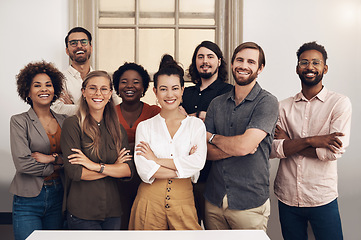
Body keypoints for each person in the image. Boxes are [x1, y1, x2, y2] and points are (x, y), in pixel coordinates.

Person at [270, 41, 352, 240]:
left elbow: (333, 152)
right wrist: (314, 140)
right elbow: (272, 150)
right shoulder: (282, 107)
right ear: (297, 68)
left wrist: (290, 143)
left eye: (316, 62)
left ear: (325, 68)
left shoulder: (339, 103)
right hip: (287, 197)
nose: (310, 67)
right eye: (304, 62)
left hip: (321, 197)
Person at [204, 42, 278, 231]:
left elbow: (244, 146)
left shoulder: (267, 102)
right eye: (240, 60)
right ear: (232, 63)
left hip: (249, 202)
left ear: (260, 68)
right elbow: (204, 153)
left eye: (251, 62)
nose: (244, 65)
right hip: (214, 199)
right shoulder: (216, 104)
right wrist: (237, 148)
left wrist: (212, 137)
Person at [128, 54, 207, 230]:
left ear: (182, 90)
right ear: (155, 92)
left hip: (184, 202)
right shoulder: (145, 127)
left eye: (175, 88)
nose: (169, 94)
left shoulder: (195, 126)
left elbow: (198, 163)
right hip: (148, 202)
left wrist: (156, 160)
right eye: (163, 89)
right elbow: (144, 170)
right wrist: (183, 167)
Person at [60, 71, 135, 230]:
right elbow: (76, 172)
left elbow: (128, 170)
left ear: (109, 94)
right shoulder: (72, 125)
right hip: (82, 211)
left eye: (103, 89)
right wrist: (113, 167)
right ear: (83, 92)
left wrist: (94, 166)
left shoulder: (117, 129)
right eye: (92, 88)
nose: (98, 93)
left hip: (113, 210)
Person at [10, 61, 66, 240]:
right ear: (27, 92)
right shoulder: (19, 121)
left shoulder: (65, 120)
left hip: (59, 196)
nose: (44, 89)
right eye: (37, 85)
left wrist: (50, 158)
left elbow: (72, 158)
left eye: (48, 85)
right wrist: (58, 163)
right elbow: (23, 164)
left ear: (54, 89)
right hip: (28, 199)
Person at [181, 41, 232, 226]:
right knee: (186, 230)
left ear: (219, 61)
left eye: (210, 57)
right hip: (185, 176)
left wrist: (190, 118)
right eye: (200, 57)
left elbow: (228, 127)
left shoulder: (229, 92)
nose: (205, 61)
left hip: (215, 178)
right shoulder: (185, 93)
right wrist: (197, 118)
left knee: (213, 232)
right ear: (195, 62)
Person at [112, 62, 160, 229]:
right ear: (117, 86)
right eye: (124, 81)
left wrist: (125, 149)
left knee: (144, 227)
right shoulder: (108, 113)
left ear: (144, 87)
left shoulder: (155, 112)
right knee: (121, 225)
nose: (129, 85)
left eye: (136, 81)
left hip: (148, 181)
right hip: (117, 181)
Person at [52, 27, 93, 115]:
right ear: (67, 50)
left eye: (84, 42)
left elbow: (111, 108)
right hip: (70, 128)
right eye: (73, 43)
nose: (79, 46)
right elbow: (56, 109)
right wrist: (94, 108)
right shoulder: (58, 79)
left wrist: (73, 106)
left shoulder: (102, 78)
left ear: (91, 47)